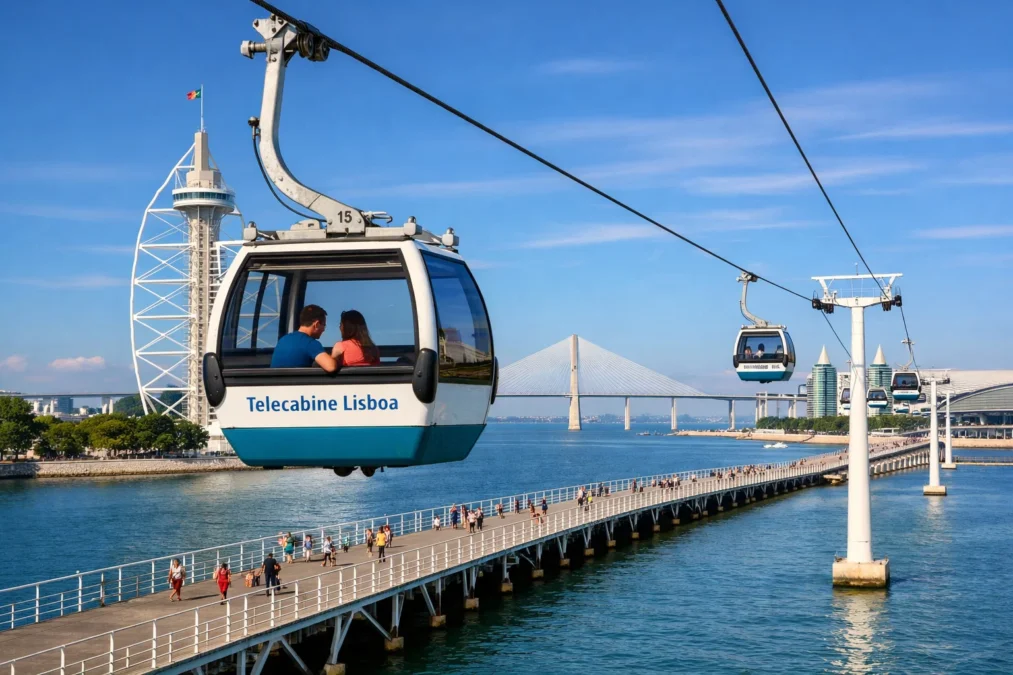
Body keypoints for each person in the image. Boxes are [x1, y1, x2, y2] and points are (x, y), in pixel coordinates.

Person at [270, 304, 340, 371]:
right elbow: (331, 367)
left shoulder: (283, 340)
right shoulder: (310, 343)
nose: (324, 329)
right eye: (324, 325)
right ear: (316, 324)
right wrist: (336, 355)